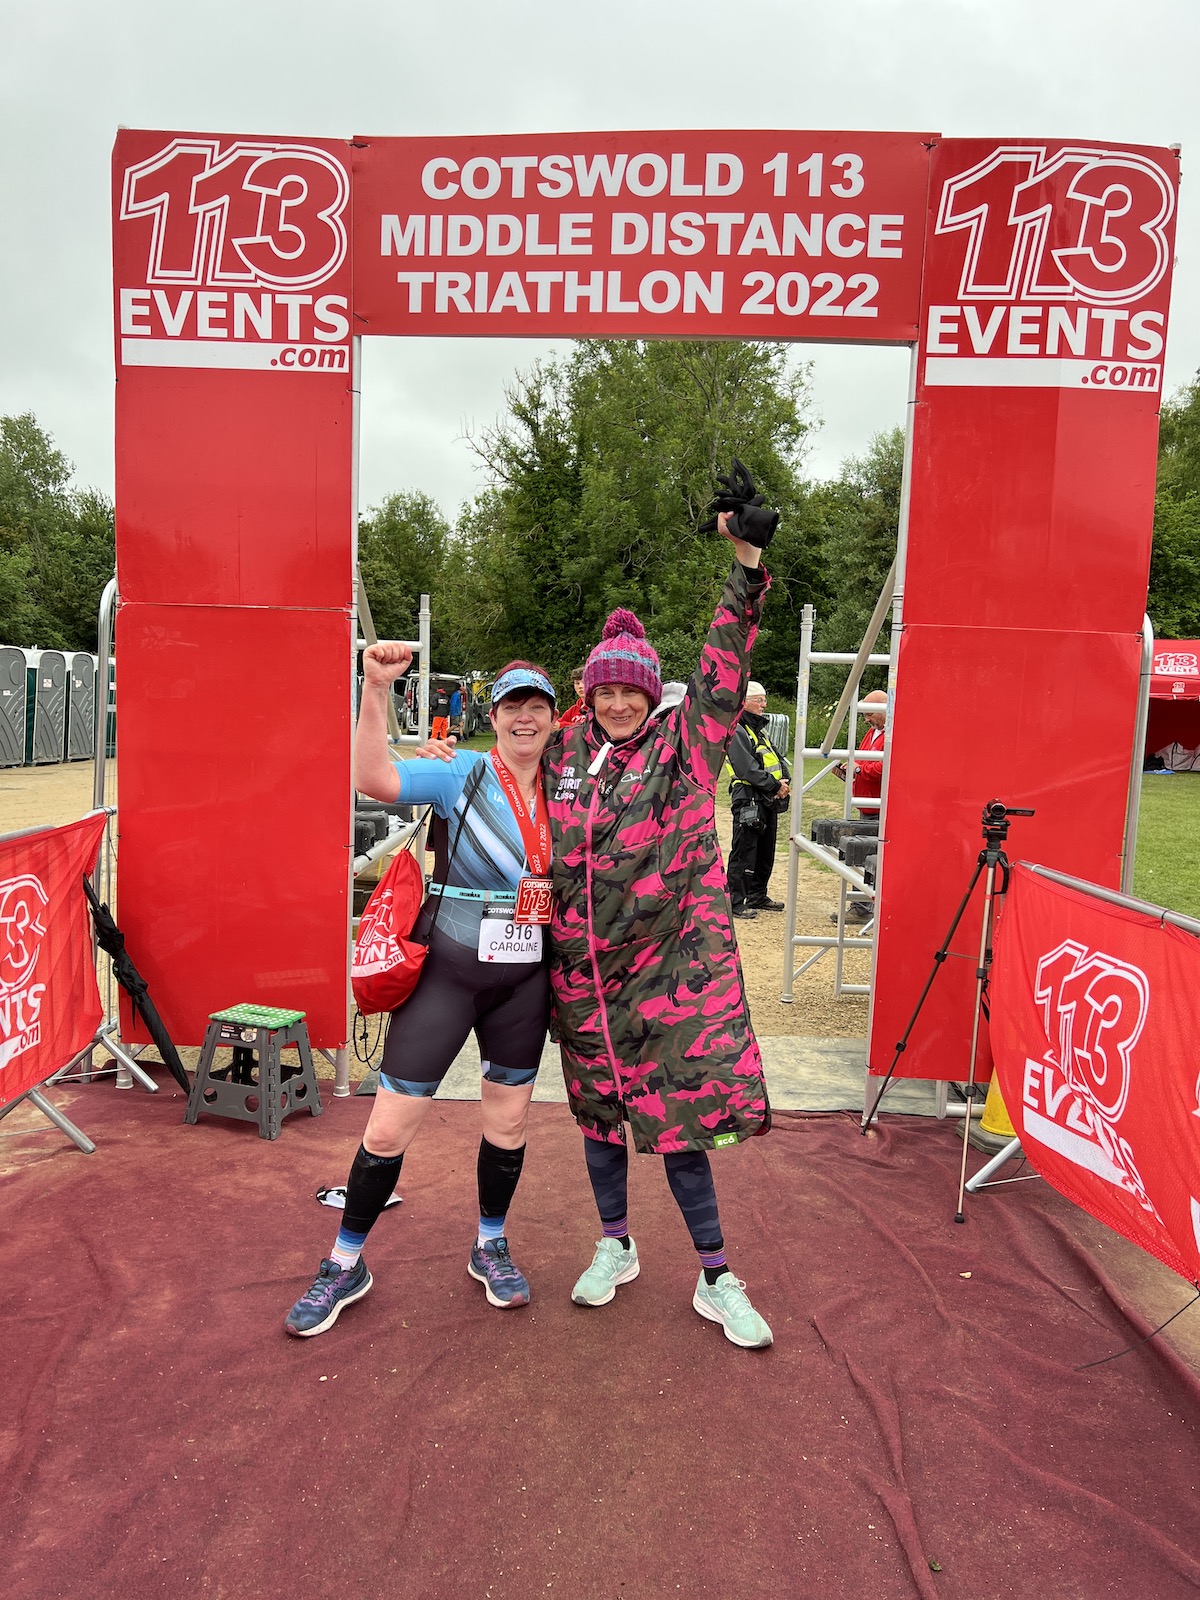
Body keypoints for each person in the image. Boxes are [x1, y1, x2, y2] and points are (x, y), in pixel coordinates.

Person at [547, 511, 775, 1348]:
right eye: (604, 688)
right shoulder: (565, 752)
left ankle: (717, 1275)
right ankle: (615, 1245)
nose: (615, 701)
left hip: (674, 981)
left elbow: (722, 665)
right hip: (585, 984)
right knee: (600, 1122)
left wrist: (746, 564)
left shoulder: (684, 748)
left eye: (629, 689)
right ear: (590, 691)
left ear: (649, 693)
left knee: (682, 1129)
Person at [282, 651, 557, 1337]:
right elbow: (373, 777)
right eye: (512, 706)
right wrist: (376, 688)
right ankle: (346, 1263)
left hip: (526, 979)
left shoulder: (574, 788)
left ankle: (490, 1244)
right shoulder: (460, 771)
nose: (525, 718)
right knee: (387, 1126)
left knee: (509, 1123)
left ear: (555, 719)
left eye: (538, 707)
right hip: (449, 974)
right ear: (492, 717)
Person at [726, 680, 790, 919]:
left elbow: (776, 758)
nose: (764, 704)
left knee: (765, 850)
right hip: (748, 798)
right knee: (745, 849)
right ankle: (734, 901)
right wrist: (775, 785)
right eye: (759, 699)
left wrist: (783, 781)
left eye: (764, 699)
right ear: (744, 702)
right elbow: (746, 768)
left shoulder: (757, 730)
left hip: (767, 796)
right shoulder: (737, 730)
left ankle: (757, 894)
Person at [832, 688, 887, 924]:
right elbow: (864, 761)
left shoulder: (892, 734)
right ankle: (862, 905)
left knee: (868, 856)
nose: (866, 720)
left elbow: (883, 767)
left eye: (869, 714)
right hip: (867, 804)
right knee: (863, 854)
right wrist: (848, 770)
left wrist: (856, 768)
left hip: (878, 806)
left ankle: (863, 908)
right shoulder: (874, 733)